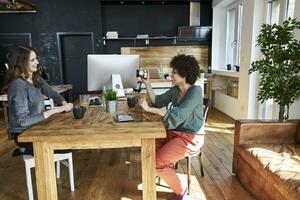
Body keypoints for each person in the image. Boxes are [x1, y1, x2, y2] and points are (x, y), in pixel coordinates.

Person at [139, 54, 204, 200]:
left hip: (189, 137)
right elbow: (158, 101)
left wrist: (149, 110)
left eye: (174, 72)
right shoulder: (176, 90)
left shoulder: (195, 92)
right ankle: (156, 176)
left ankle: (181, 191)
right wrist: (147, 83)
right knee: (147, 145)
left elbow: (176, 116)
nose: (171, 74)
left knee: (157, 163)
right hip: (173, 133)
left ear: (185, 73)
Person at [4, 46, 73, 155]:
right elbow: (23, 121)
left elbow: (52, 93)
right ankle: (26, 150)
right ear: (21, 63)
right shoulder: (18, 85)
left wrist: (64, 103)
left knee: (71, 139)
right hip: (24, 134)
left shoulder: (35, 77)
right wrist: (56, 110)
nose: (37, 62)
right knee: (69, 145)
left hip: (38, 127)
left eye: (36, 58)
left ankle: (27, 151)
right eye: (32, 60)